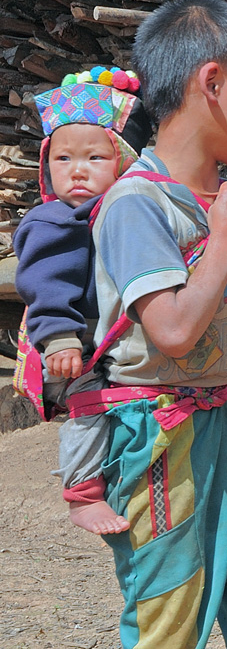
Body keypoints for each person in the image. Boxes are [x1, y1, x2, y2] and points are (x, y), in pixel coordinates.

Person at [85, 0, 227, 649]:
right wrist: (223, 243)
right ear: (211, 83)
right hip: (157, 440)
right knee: (169, 624)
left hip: (224, 427)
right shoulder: (136, 205)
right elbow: (175, 331)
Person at [14, 67, 151, 535]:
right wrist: (59, 340)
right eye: (63, 158)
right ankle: (82, 494)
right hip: (71, 339)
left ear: (127, 163)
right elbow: (45, 285)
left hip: (107, 337)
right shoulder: (54, 220)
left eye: (95, 157)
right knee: (89, 407)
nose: (76, 170)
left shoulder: (124, 212)